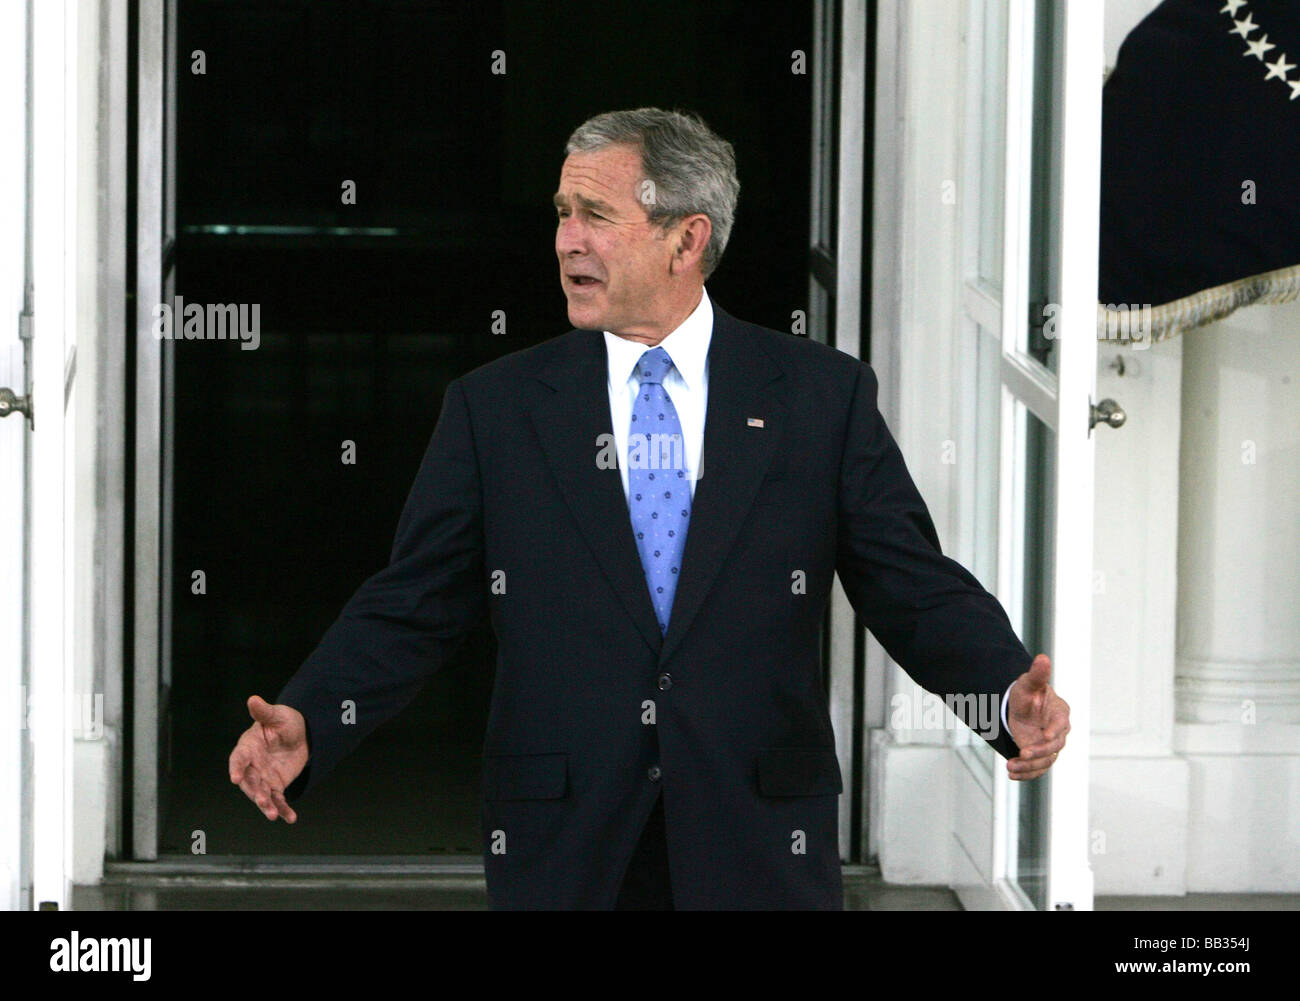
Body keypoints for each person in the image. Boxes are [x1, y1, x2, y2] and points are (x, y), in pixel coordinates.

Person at [228, 107, 1069, 910]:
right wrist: (311, 713)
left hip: (759, 833)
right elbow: (412, 603)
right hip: (565, 837)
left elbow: (909, 584)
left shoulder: (818, 397)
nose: (565, 241)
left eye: (595, 214)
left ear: (687, 239)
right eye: (561, 213)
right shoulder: (498, 408)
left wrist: (997, 694)